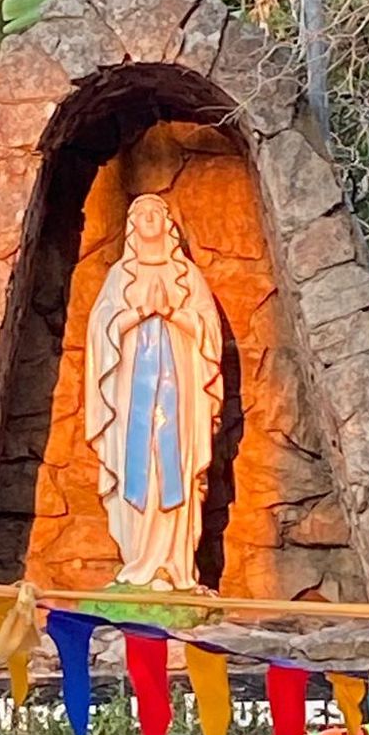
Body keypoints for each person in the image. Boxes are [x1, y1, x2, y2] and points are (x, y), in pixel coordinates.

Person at [85, 194, 223, 591]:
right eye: (139, 213)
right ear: (131, 226)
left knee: (175, 468)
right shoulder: (120, 276)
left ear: (167, 223)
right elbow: (100, 331)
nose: (148, 218)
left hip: (181, 394)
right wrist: (139, 313)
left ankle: (176, 566)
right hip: (132, 395)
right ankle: (140, 561)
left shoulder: (187, 275)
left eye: (155, 213)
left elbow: (209, 330)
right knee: (138, 469)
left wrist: (173, 313)